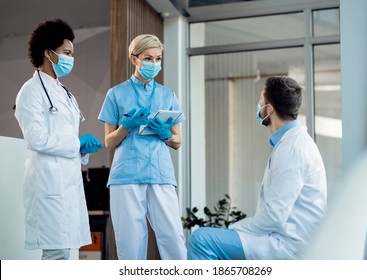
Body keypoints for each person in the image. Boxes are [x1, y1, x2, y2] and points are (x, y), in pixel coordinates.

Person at [187, 76, 327, 260]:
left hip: (288, 247)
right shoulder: (291, 143)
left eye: (261, 99)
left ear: (269, 109)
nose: (258, 104)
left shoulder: (293, 149)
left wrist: (233, 229)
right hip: (282, 239)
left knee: (201, 240)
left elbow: (274, 217)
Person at [14, 19, 103, 260]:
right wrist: (77, 143)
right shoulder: (31, 91)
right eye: (66, 53)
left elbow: (65, 137)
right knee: (56, 254)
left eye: (72, 53)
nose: (70, 59)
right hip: (47, 184)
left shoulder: (63, 92)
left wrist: (83, 149)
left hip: (68, 182)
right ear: (47, 53)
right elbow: (36, 139)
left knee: (65, 252)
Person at [98, 34, 187, 260]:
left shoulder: (168, 95)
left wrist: (166, 133)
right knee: (130, 242)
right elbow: (108, 141)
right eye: (148, 58)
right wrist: (125, 127)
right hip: (126, 175)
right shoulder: (116, 94)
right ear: (133, 58)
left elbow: (177, 141)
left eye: (158, 59)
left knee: (173, 238)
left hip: (160, 173)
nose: (154, 64)